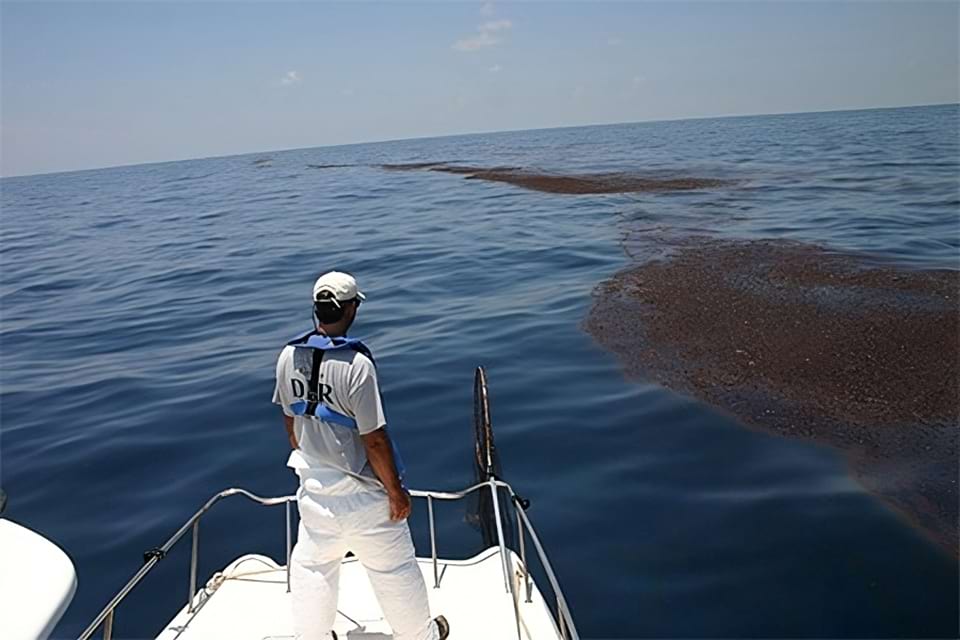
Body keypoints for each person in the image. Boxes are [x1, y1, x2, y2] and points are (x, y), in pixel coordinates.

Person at [273, 271, 448, 640]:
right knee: (394, 571)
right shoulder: (357, 365)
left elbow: (291, 427)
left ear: (316, 310)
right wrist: (396, 493)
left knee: (314, 567)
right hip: (364, 498)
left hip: (316, 494)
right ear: (351, 308)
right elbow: (374, 441)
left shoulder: (288, 356)